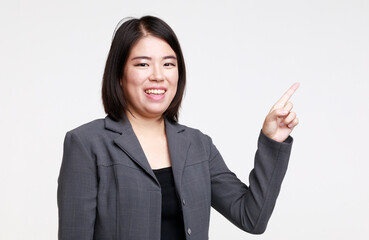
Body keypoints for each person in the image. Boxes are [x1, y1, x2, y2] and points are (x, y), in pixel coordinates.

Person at [57, 16, 299, 240]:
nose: (158, 76)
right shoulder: (86, 143)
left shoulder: (198, 145)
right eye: (142, 64)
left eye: (169, 64)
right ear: (119, 74)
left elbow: (251, 218)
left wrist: (272, 141)